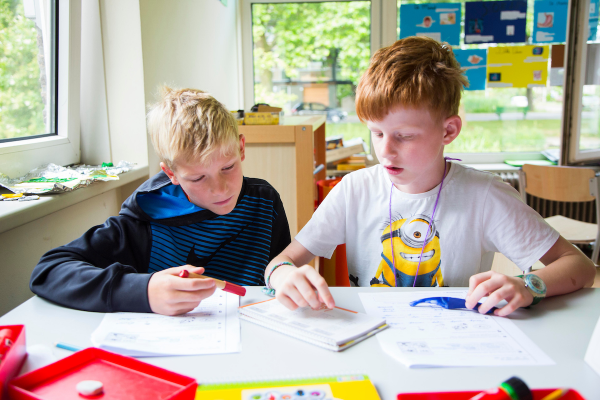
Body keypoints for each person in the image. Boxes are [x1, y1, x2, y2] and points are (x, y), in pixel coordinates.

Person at [264, 36, 596, 317]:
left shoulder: (484, 196)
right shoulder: (355, 189)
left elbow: (579, 267)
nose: (386, 151)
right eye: (376, 133)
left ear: (448, 130)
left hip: (454, 338)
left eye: (404, 136)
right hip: (372, 336)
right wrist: (283, 275)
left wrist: (528, 285)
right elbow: (281, 262)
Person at [30, 87, 291, 315]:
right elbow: (49, 271)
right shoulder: (145, 217)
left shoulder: (264, 202)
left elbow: (280, 269)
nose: (219, 189)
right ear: (171, 173)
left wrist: (284, 275)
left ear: (241, 147)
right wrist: (143, 290)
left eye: (228, 167)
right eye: (198, 178)